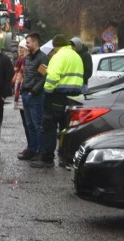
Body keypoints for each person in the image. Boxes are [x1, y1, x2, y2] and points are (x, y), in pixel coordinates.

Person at [31, 34, 83, 168]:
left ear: (56, 47)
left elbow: (53, 77)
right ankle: (66, 159)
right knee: (67, 130)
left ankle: (48, 159)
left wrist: (47, 91)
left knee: (49, 127)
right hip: (74, 98)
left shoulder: (58, 56)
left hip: (57, 96)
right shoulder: (76, 56)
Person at [20, 32, 49, 162]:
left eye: (28, 42)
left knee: (37, 125)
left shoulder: (42, 58)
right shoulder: (28, 58)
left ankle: (40, 151)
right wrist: (23, 91)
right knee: (29, 125)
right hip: (26, 94)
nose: (26, 44)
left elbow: (44, 78)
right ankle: (32, 149)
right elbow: (27, 76)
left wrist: (33, 92)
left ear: (36, 43)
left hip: (35, 96)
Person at [12, 39, 33, 159]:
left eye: (22, 48)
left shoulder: (27, 62)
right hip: (20, 97)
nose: (20, 50)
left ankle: (31, 147)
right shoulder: (20, 61)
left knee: (29, 124)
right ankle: (29, 146)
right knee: (26, 124)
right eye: (19, 48)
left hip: (25, 96)